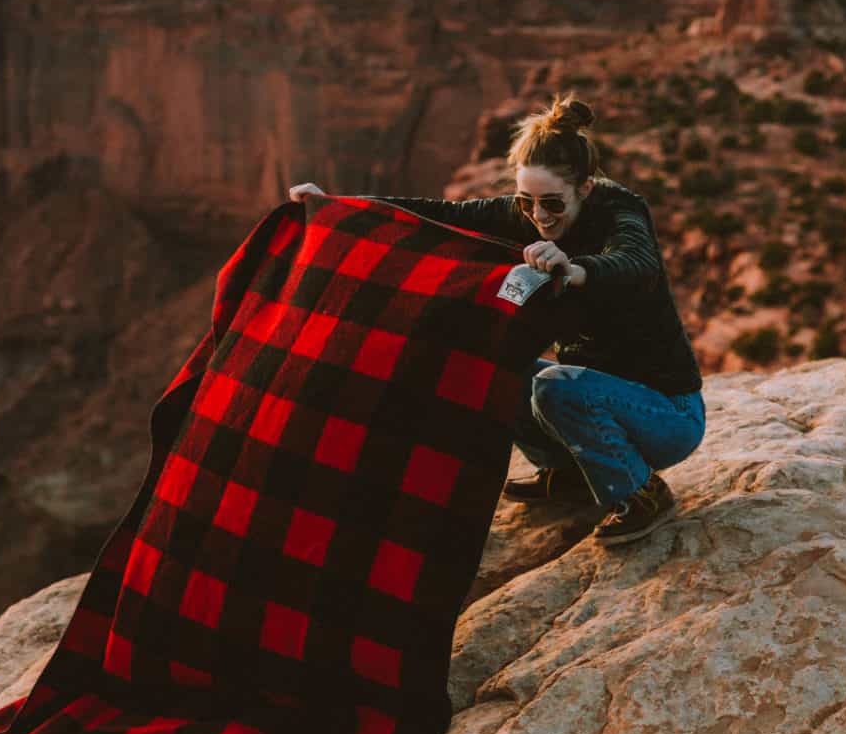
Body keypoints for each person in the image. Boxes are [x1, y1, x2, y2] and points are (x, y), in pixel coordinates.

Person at [288, 92, 705, 545]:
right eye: (527, 202)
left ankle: (642, 494)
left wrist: (576, 268)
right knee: (495, 365)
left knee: (554, 386)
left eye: (552, 204)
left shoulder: (619, 209)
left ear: (585, 188)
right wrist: (334, 208)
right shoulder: (525, 214)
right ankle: (565, 472)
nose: (539, 217)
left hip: (667, 415)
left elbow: (636, 259)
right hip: (601, 397)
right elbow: (438, 218)